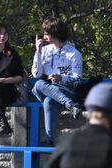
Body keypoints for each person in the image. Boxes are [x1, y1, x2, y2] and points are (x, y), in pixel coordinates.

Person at [31, 17, 83, 145]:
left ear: (56, 34)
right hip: (46, 88)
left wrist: (61, 78)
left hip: (66, 90)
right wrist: (37, 52)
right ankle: (71, 105)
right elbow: (36, 74)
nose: (44, 36)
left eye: (47, 34)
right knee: (38, 84)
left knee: (49, 101)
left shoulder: (74, 53)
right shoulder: (44, 50)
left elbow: (77, 80)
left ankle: (50, 139)